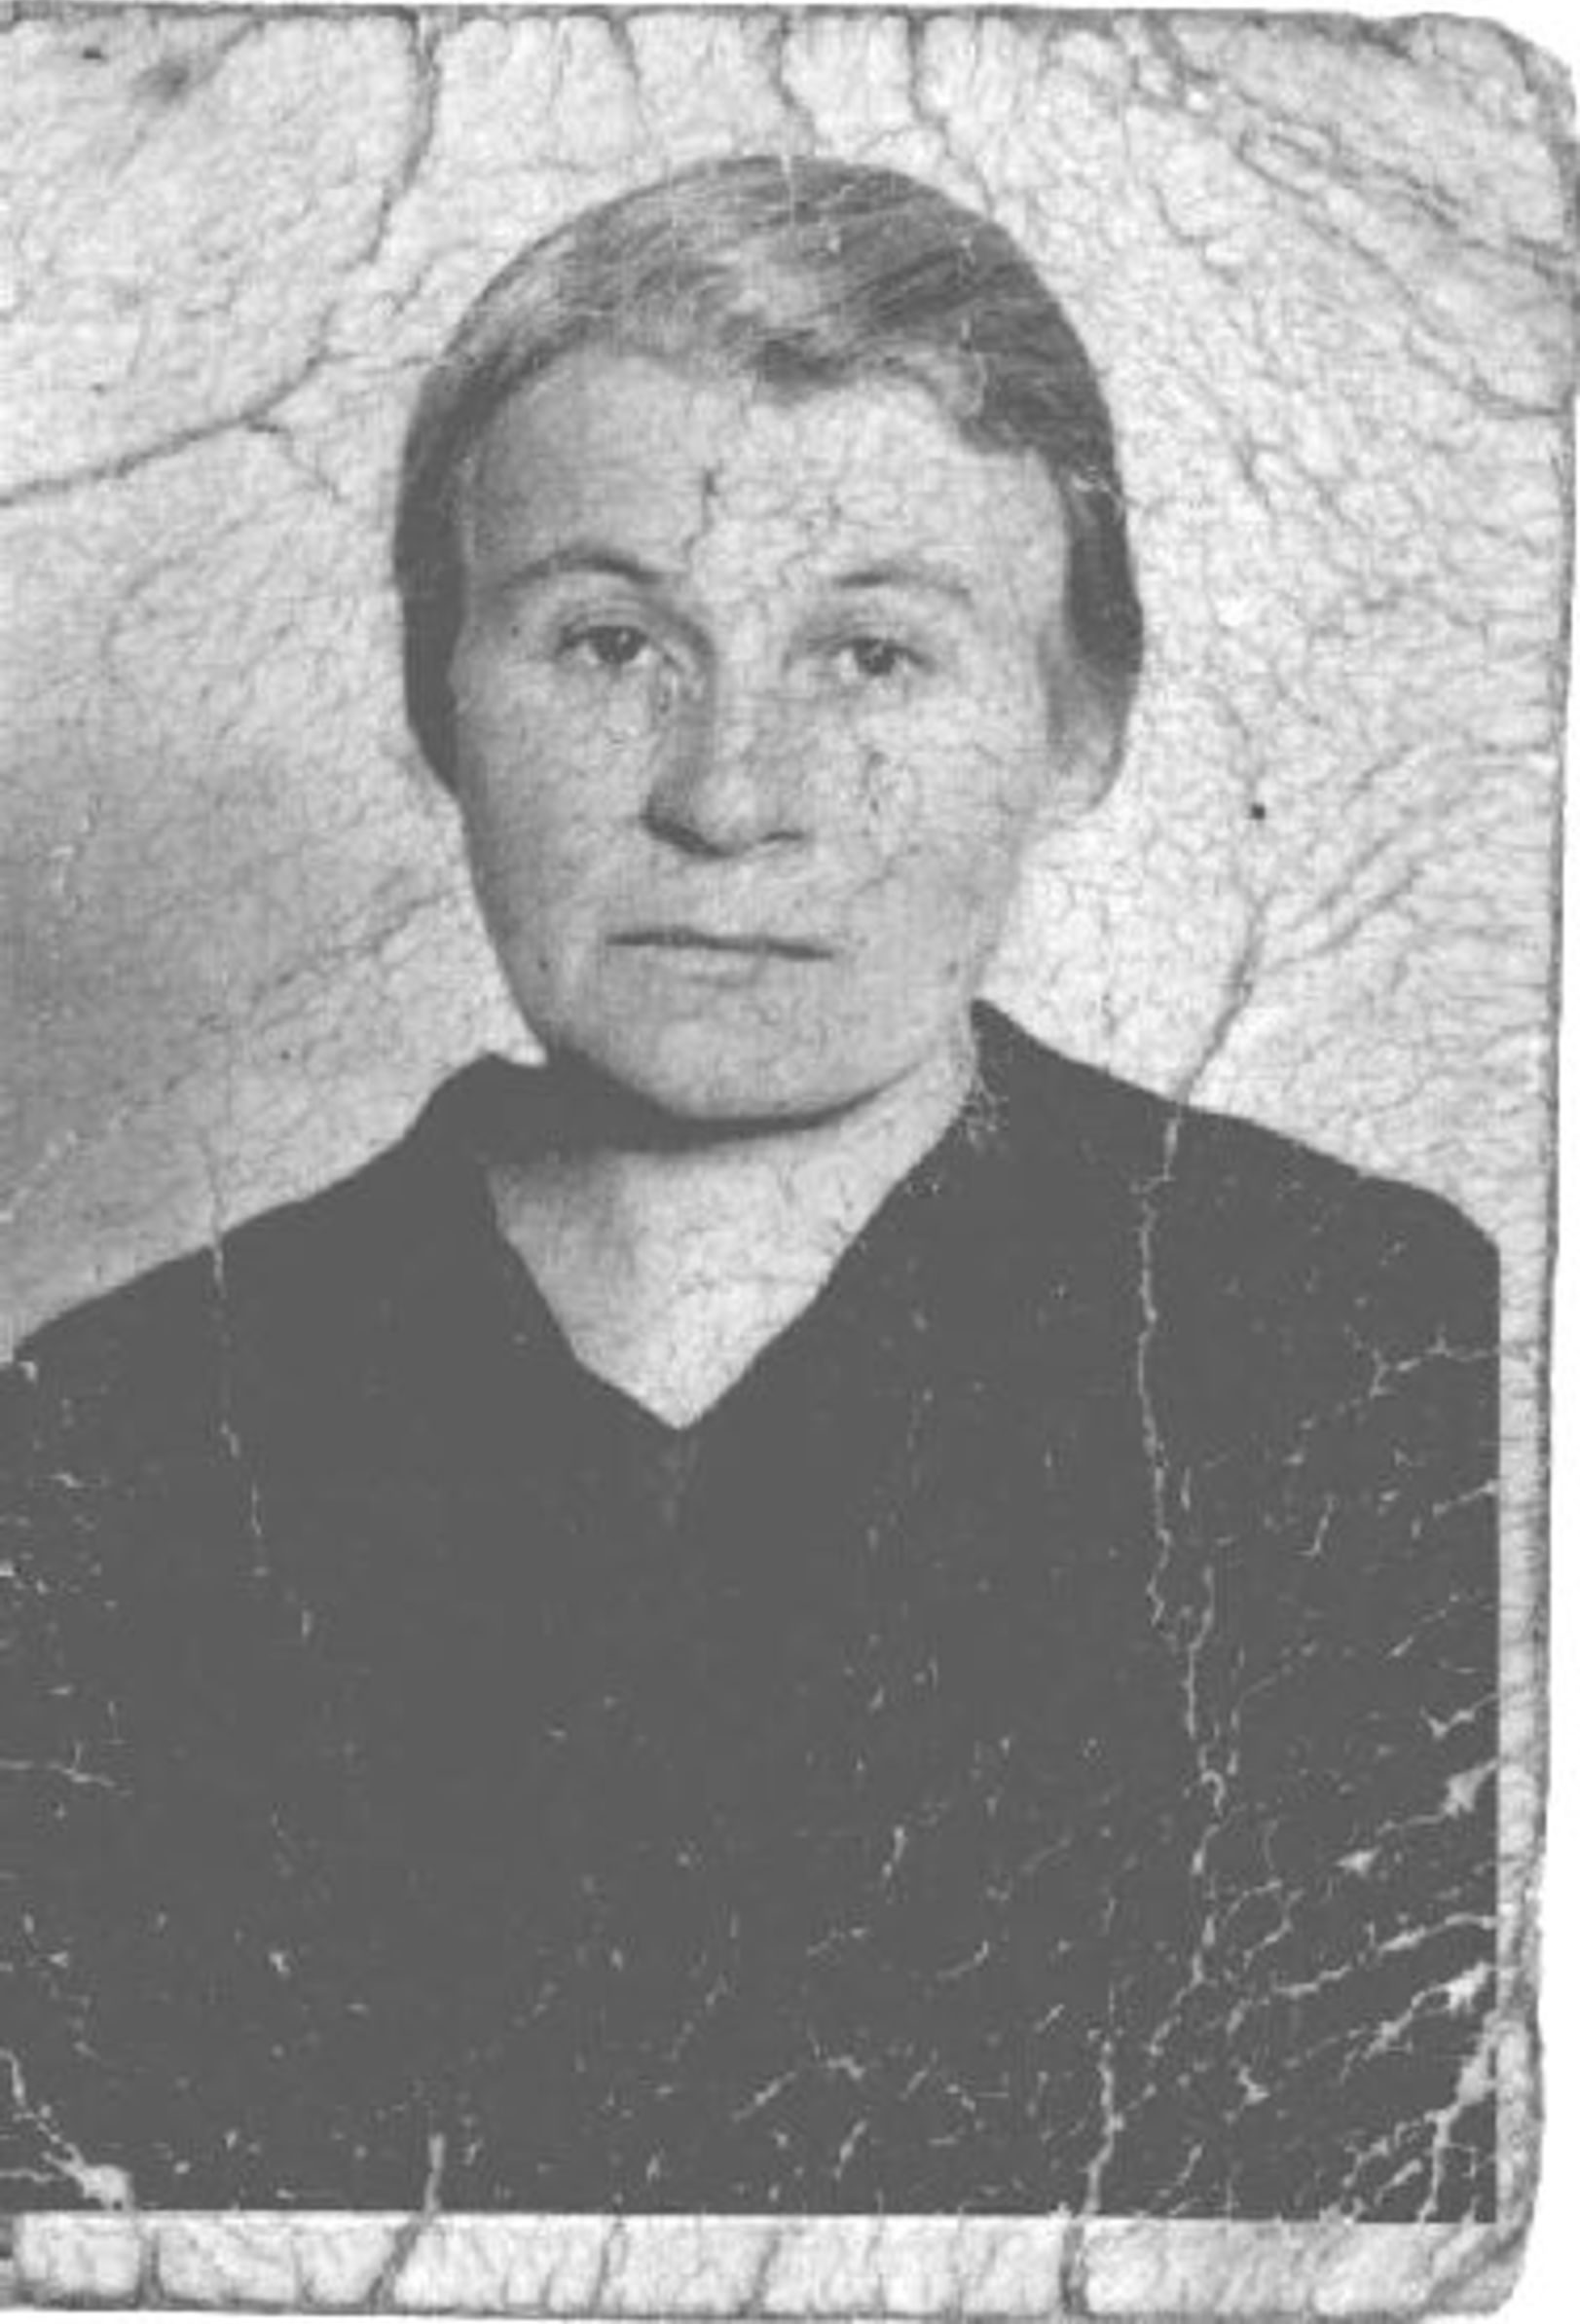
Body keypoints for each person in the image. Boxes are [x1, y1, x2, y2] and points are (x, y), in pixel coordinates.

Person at [1, 156, 1497, 2220]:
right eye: (610, 640)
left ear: (1077, 727)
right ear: (436, 699)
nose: (727, 797)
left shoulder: (1375, 1355)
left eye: (871, 657)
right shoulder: (116, 1434)